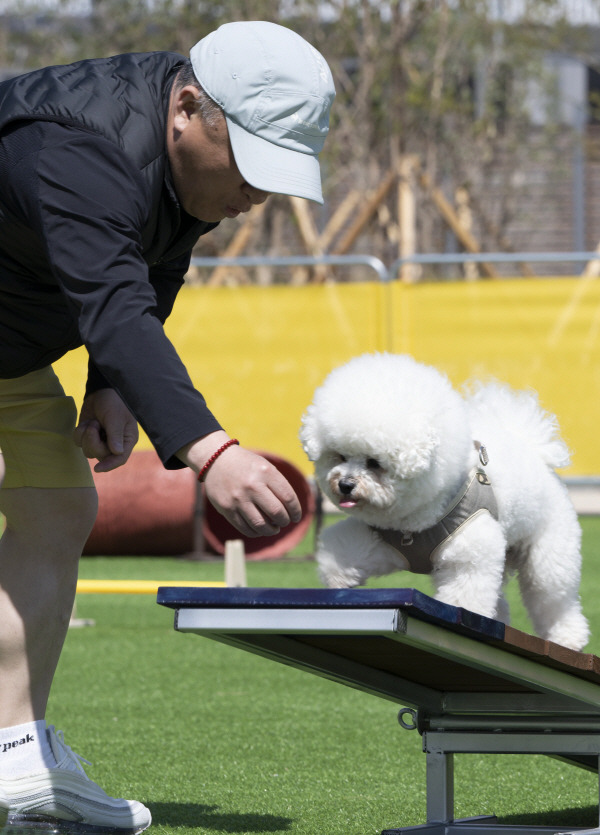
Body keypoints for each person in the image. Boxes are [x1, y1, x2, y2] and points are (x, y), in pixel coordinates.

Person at [0, 19, 335, 832]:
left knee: (57, 505)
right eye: (251, 164)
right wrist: (209, 448)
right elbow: (115, 300)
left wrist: (110, 384)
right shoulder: (81, 148)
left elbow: (154, 265)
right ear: (188, 108)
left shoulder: (190, 160)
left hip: (9, 345)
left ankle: (15, 755)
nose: (256, 194)